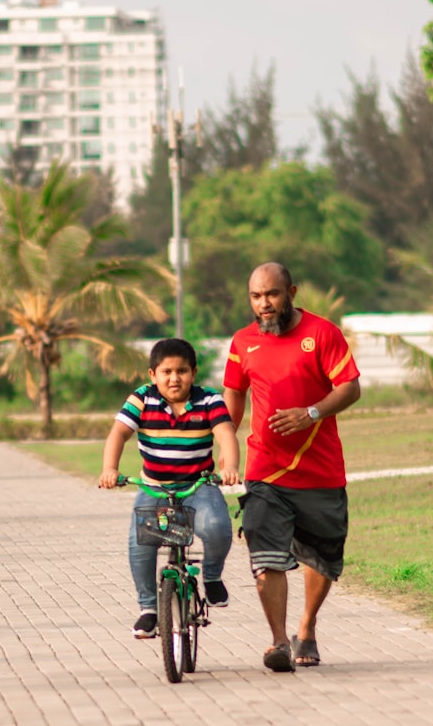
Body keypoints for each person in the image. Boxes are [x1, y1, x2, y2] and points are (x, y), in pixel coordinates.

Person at [223, 262, 361, 671]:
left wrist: (311, 413)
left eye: (272, 294)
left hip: (320, 470)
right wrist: (220, 442)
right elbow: (233, 398)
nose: (264, 304)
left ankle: (307, 626)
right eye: (256, 296)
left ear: (291, 292)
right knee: (265, 554)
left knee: (323, 556)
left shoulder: (322, 334)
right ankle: (279, 642)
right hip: (264, 468)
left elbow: (350, 387)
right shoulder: (242, 341)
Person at [99, 338, 241, 639]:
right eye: (166, 372)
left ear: (194, 372)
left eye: (182, 371)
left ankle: (212, 577)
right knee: (140, 546)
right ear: (153, 375)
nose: (174, 378)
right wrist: (110, 469)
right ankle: (149, 609)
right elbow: (118, 434)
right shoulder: (141, 399)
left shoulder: (209, 400)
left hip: (198, 486)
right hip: (154, 488)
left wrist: (230, 467)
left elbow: (226, 433)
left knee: (216, 527)